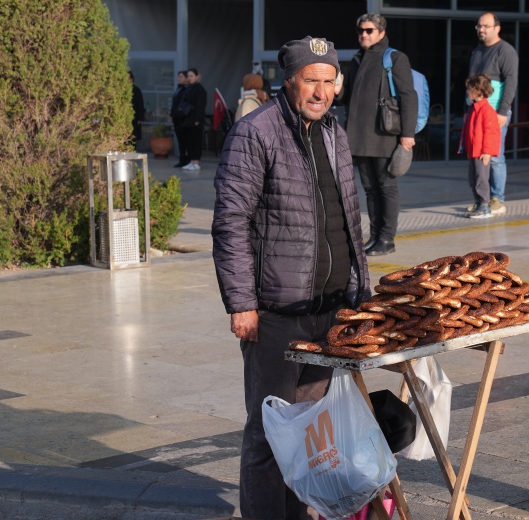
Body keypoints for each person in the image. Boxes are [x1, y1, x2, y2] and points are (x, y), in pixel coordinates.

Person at [211, 36, 370, 520]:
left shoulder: (334, 133)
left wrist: (360, 292)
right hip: (276, 314)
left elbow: (348, 218)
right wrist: (241, 303)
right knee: (269, 430)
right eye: (311, 81)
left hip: (329, 310)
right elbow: (230, 221)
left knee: (311, 427)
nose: (321, 92)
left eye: (328, 81)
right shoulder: (255, 132)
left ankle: (297, 513)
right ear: (290, 80)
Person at [339, 13, 418, 257]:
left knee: (386, 186)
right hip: (359, 136)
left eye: (369, 30)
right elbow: (346, 98)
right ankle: (374, 236)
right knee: (370, 189)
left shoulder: (394, 58)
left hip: (385, 135)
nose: (364, 34)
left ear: (381, 32)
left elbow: (408, 96)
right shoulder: (356, 59)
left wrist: (407, 133)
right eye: (360, 30)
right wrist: (338, 88)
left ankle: (387, 238)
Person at [468, 11, 519, 215]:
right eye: (479, 26)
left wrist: (503, 111)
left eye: (485, 26)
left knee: (495, 156)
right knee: (478, 157)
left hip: (495, 113)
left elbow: (511, 82)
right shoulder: (477, 52)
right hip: (475, 112)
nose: (481, 29)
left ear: (497, 28)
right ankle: (483, 199)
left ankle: (498, 198)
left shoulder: (506, 51)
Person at [461, 74, 501, 219]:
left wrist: (487, 152)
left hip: (481, 153)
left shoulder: (486, 110)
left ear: (478, 90)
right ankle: (478, 203)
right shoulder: (474, 108)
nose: (467, 91)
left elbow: (491, 133)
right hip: (473, 151)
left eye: (469, 89)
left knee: (481, 179)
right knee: (473, 179)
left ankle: (485, 206)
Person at [182, 68, 207, 171]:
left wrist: (197, 119)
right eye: (188, 76)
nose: (190, 78)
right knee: (189, 141)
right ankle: (192, 161)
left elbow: (200, 106)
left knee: (196, 141)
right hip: (188, 120)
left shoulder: (200, 89)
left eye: (192, 76)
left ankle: (196, 161)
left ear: (197, 76)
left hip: (196, 120)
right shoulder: (189, 88)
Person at [171, 70, 190, 168]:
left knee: (184, 141)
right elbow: (174, 103)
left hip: (182, 119)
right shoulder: (178, 89)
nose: (179, 79)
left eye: (181, 77)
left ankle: (185, 159)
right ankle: (182, 159)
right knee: (180, 140)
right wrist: (172, 115)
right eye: (179, 77)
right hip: (176, 118)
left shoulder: (186, 90)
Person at [128, 71, 145, 146]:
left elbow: (140, 105)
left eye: (128, 78)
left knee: (132, 139)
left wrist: (140, 118)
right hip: (125, 118)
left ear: (132, 79)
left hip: (134, 119)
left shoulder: (136, 90)